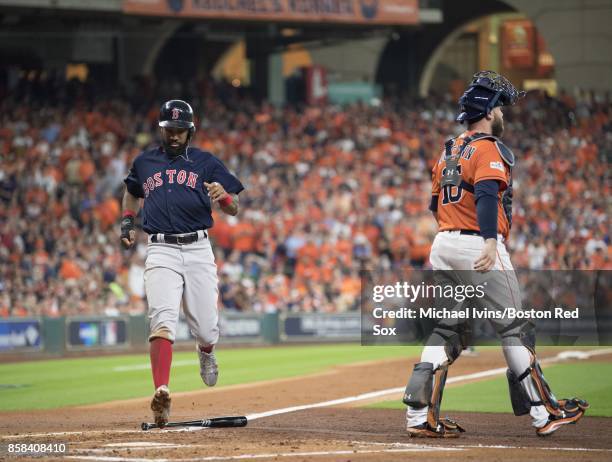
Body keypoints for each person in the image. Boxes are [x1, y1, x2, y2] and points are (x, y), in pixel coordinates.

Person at [402, 71, 588, 438]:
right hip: (477, 245)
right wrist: (488, 240)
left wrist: (456, 233)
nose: (503, 114)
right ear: (488, 111)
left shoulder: (449, 150)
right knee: (515, 328)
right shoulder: (487, 147)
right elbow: (487, 194)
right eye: (501, 107)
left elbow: (433, 204)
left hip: (444, 244)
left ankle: (419, 418)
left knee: (447, 331)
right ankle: (543, 413)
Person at [120, 100, 244, 428]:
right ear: (161, 129)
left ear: (190, 131)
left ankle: (206, 351)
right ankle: (161, 391)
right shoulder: (144, 162)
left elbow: (234, 209)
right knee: (161, 319)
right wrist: (127, 222)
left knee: (205, 326)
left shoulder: (206, 161)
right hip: (160, 249)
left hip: (198, 247)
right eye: (169, 129)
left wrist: (225, 197)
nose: (174, 135)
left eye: (180, 130)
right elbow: (132, 193)